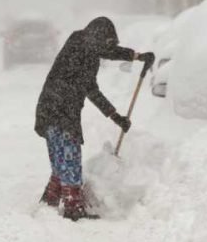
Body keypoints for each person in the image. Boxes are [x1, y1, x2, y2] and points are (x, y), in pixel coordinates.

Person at [34, 16, 155, 221]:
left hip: (52, 110)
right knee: (70, 157)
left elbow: (102, 61)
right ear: (97, 36)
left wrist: (137, 56)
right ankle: (73, 207)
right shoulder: (79, 45)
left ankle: (51, 199)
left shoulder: (85, 46)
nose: (106, 47)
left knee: (60, 158)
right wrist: (116, 116)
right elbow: (92, 89)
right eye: (106, 41)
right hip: (59, 110)